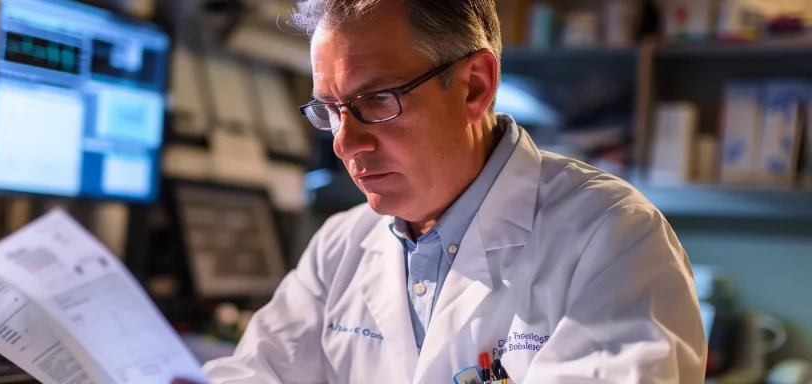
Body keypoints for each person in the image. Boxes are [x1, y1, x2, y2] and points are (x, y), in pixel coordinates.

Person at [192, 0, 707, 382]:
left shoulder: (612, 236)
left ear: (475, 86)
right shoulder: (340, 246)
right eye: (330, 110)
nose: (346, 143)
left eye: (377, 100)